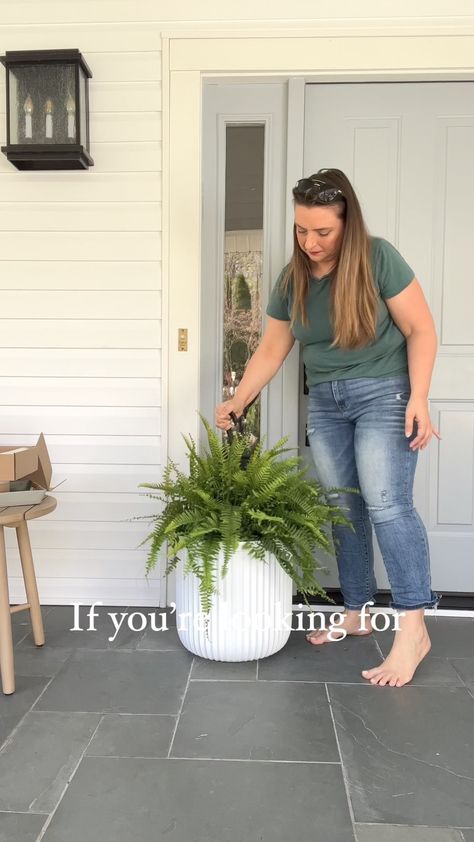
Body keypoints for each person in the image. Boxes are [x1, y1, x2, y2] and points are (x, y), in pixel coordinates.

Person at [215, 167, 442, 689]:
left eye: (323, 232)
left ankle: (414, 630)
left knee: (388, 506)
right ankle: (358, 610)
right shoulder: (291, 278)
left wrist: (421, 397)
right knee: (343, 505)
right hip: (326, 403)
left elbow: (420, 328)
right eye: (301, 230)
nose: (310, 242)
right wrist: (238, 398)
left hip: (385, 394)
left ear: (348, 224)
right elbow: (273, 348)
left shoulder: (378, 258)